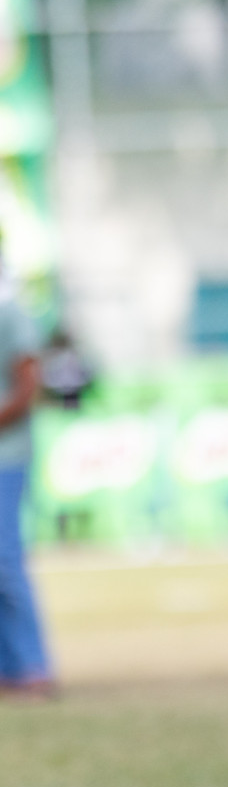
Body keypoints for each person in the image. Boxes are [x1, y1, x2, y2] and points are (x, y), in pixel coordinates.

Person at [0, 283, 51, 698]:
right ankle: (8, 668)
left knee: (5, 560)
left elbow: (29, 385)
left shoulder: (10, 312)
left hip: (6, 456)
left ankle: (34, 666)